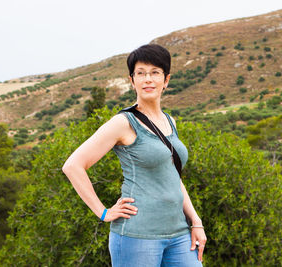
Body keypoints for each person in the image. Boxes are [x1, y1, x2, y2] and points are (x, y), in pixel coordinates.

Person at [62, 44, 206, 266]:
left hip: (178, 234)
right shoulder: (123, 123)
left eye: (155, 72)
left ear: (166, 80)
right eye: (141, 73)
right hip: (137, 236)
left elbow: (172, 177)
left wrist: (196, 222)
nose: (148, 79)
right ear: (132, 81)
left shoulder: (170, 121)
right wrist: (103, 212)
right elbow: (73, 166)